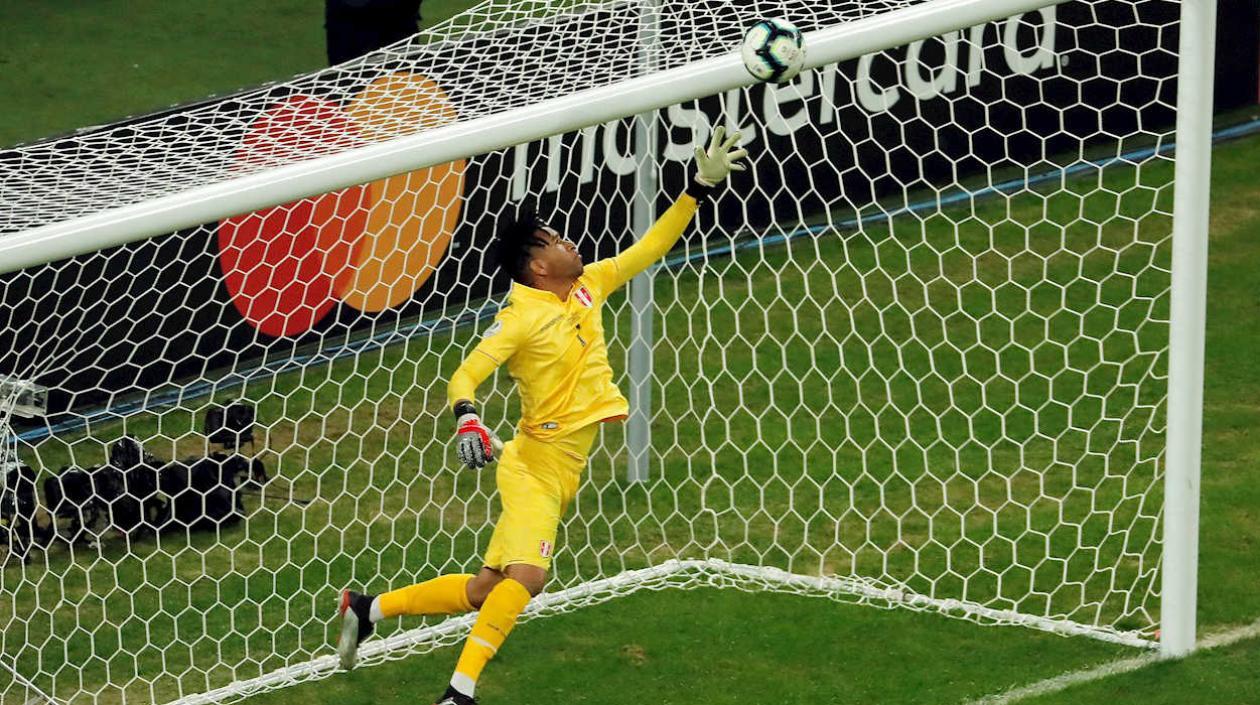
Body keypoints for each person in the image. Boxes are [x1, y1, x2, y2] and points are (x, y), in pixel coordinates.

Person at [335, 128, 747, 704]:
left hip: (562, 468)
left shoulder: (587, 287)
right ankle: (459, 693)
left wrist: (697, 187)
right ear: (535, 266)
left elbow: (650, 247)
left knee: (487, 589)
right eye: (554, 240)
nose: (568, 242)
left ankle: (368, 607)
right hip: (531, 467)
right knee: (528, 578)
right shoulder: (519, 318)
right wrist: (468, 417)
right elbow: (464, 375)